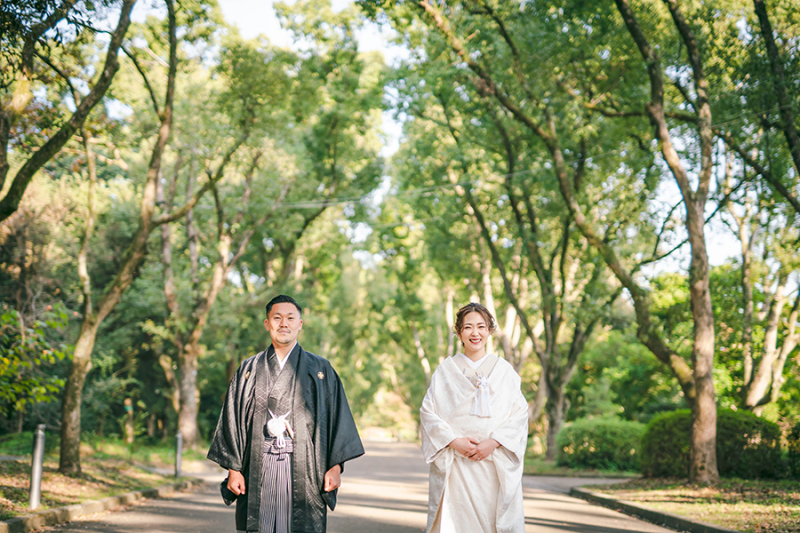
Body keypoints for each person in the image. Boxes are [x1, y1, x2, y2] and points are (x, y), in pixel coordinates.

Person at [208, 295, 364, 533]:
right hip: (257, 464)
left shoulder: (320, 369)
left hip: (305, 466)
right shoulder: (249, 369)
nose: (284, 323)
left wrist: (335, 466)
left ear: (300, 324)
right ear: (267, 323)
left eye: (290, 318)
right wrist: (234, 469)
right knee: (260, 524)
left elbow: (336, 417)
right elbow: (232, 419)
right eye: (277, 318)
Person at [420, 302, 528, 533]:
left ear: (490, 330)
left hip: (493, 463)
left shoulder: (504, 370)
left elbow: (519, 414)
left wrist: (493, 442)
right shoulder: (446, 370)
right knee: (456, 522)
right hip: (456, 463)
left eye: (481, 326)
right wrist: (454, 441)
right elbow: (428, 412)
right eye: (468, 327)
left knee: (492, 522)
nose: (475, 333)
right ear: (459, 332)